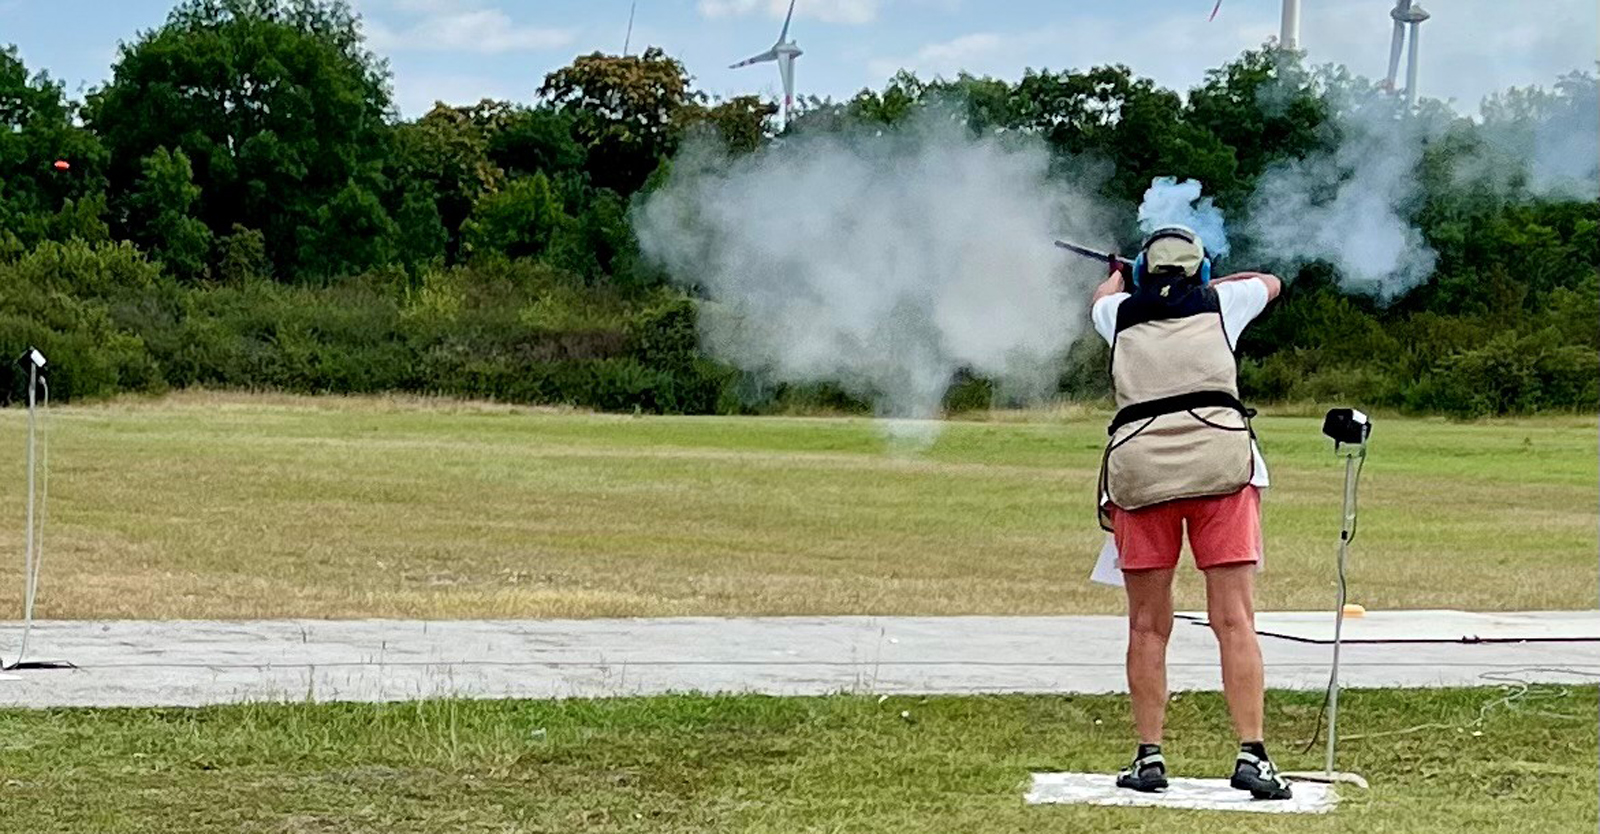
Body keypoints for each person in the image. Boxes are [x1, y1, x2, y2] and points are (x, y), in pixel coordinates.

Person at [1088, 225, 1290, 800]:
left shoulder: (1120, 313)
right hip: (1221, 466)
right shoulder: (1223, 302)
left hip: (1140, 471)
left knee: (1148, 627)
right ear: (1201, 271)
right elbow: (1270, 283)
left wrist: (1122, 273)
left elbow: (1100, 298)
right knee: (1235, 621)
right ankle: (1253, 754)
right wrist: (1206, 279)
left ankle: (1149, 757)